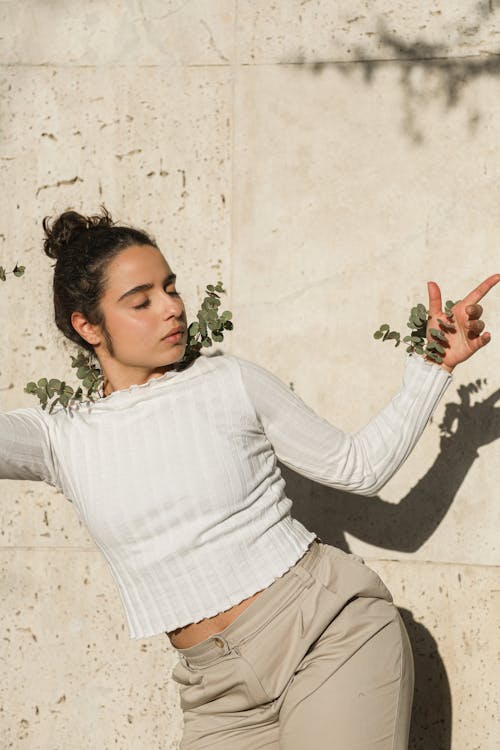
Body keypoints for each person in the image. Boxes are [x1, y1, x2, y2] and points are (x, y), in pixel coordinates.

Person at [1, 206, 498, 750]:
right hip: (215, 694)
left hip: (325, 634)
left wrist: (434, 366)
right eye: (141, 301)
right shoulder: (61, 437)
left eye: (171, 288)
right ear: (87, 325)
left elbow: (359, 467)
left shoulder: (227, 381)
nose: (172, 308)